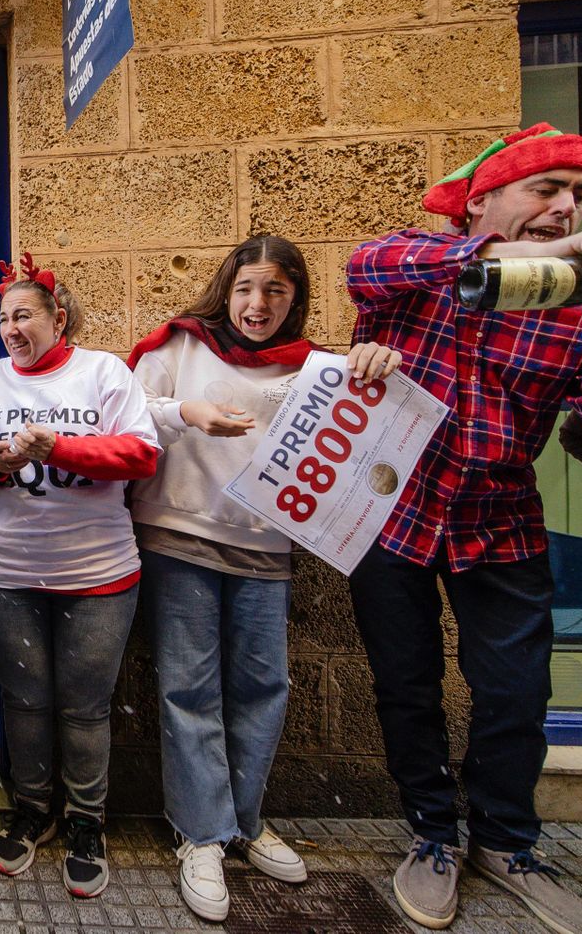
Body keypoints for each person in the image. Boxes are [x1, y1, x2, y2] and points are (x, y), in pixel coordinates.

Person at [345, 123, 582, 934]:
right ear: (484, 199)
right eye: (547, 188)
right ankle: (430, 835)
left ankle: (507, 843)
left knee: (517, 694)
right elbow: (363, 265)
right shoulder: (422, 268)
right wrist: (482, 260)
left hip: (502, 525)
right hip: (391, 520)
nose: (566, 208)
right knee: (406, 687)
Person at [127, 236, 401, 921]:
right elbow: (127, 418)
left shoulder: (316, 369)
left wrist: (376, 362)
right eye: (247, 288)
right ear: (226, 288)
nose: (257, 305)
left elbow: (373, 415)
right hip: (180, 536)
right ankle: (201, 834)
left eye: (275, 292)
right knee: (189, 687)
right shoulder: (177, 348)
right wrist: (187, 414)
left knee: (263, 685)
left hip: (267, 549)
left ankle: (245, 822)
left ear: (295, 299)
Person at [0, 253, 158, 900]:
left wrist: (56, 447)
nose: (12, 328)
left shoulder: (104, 373)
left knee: (86, 708)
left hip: (100, 577)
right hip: (8, 575)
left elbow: (142, 454)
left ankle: (86, 823)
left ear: (57, 317)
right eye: (4, 317)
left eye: (24, 314)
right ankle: (32, 810)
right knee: (25, 700)